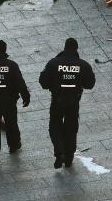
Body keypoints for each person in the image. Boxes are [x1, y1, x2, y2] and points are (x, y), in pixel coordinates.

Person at [39, 38, 95, 169]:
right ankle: (69, 158)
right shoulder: (83, 65)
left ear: (64, 48)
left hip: (57, 100)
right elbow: (90, 84)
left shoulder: (53, 63)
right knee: (71, 129)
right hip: (74, 101)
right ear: (76, 49)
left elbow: (43, 82)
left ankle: (59, 152)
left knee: (55, 126)